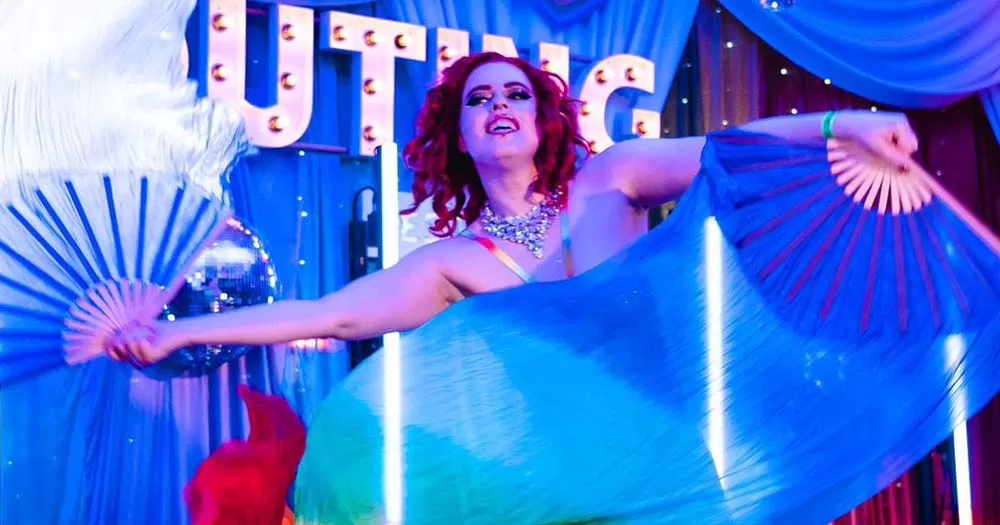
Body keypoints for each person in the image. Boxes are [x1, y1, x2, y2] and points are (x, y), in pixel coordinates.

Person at [106, 52, 918, 366]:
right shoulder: (453, 260)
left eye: (515, 94)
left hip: (665, 446)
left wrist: (842, 126)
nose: (499, 103)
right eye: (479, 98)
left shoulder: (616, 179)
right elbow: (332, 314)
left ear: (544, 119)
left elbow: (732, 151)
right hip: (549, 470)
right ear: (459, 132)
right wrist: (176, 330)